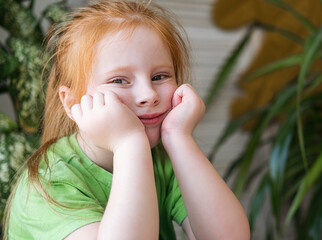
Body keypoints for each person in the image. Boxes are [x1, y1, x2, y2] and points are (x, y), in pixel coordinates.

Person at [4, 1, 250, 239]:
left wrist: (178, 136)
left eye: (160, 76)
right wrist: (129, 143)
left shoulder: (162, 158)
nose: (149, 95)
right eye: (119, 80)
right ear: (71, 103)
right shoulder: (49, 184)